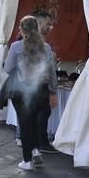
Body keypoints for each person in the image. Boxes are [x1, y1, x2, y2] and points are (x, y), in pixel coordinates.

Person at [4, 15, 57, 171]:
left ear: (21, 29)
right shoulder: (46, 48)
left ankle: (27, 161)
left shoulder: (15, 47)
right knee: (35, 121)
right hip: (41, 90)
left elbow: (7, 69)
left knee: (25, 124)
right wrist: (53, 92)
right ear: (37, 28)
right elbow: (51, 72)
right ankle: (35, 150)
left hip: (22, 90)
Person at [31, 10, 58, 154]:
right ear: (39, 24)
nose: (50, 27)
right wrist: (53, 89)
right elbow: (50, 70)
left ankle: (32, 143)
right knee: (43, 112)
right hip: (40, 85)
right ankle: (41, 143)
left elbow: (9, 66)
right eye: (48, 24)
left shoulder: (19, 44)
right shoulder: (45, 47)